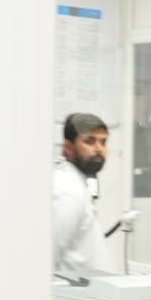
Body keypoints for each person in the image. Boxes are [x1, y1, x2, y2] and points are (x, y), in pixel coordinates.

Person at [53, 112, 108, 275]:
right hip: (73, 290)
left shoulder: (76, 184)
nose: (99, 149)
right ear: (68, 147)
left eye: (103, 142)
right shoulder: (68, 191)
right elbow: (47, 259)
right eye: (90, 141)